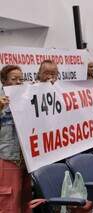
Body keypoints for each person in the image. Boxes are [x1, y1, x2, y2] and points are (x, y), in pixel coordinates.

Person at [0, 65, 32, 213]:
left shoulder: (25, 98)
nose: (18, 82)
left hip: (27, 158)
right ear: (4, 81)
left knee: (25, 201)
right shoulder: (1, 101)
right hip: (8, 158)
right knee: (9, 203)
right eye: (14, 79)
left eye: (21, 79)